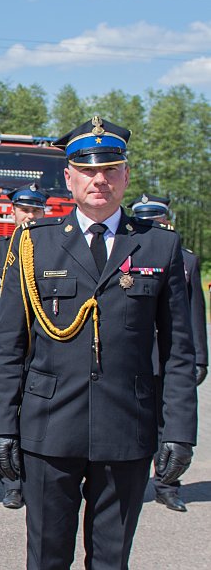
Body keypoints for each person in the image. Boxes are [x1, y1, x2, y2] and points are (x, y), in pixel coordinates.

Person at [0, 117, 197, 569]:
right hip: (49, 428)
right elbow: (8, 348)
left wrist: (179, 431)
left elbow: (179, 351)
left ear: (126, 175)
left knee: (111, 560)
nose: (99, 180)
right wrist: (0, 426)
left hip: (126, 429)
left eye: (110, 169)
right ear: (69, 177)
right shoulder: (33, 245)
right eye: (87, 170)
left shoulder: (159, 247)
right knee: (46, 558)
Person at [128, 193, 207, 513]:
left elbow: (193, 313)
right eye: (144, 221)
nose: (151, 226)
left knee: (167, 421)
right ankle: (126, 483)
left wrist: (199, 357)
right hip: (132, 355)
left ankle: (167, 484)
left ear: (166, 221)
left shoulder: (186, 260)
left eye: (156, 221)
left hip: (166, 355)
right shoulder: (125, 254)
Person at [0, 183, 47, 509]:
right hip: (6, 351)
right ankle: (10, 483)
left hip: (41, 350)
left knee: (36, 416)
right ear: (13, 211)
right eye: (24, 210)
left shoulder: (51, 247)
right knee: (4, 416)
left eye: (35, 210)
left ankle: (31, 478)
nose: (29, 216)